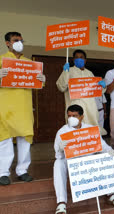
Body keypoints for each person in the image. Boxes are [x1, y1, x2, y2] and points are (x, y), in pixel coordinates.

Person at [53, 105, 114, 214]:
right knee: (58, 164)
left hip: (88, 162)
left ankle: (112, 194)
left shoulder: (90, 129)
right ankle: (61, 203)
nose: (71, 118)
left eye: (74, 116)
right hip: (72, 163)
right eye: (69, 116)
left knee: (107, 156)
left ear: (82, 117)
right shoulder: (62, 131)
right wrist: (60, 148)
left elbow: (102, 146)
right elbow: (58, 156)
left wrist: (109, 151)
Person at [0, 32, 46, 185]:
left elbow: (38, 85)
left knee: (25, 139)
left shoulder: (29, 63)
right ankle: (3, 172)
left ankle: (22, 170)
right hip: (5, 108)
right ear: (7, 43)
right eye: (15, 40)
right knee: (5, 140)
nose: (19, 43)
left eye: (21, 40)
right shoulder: (2, 60)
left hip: (24, 108)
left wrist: (42, 80)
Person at [56, 49, 107, 135]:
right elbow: (61, 87)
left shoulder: (89, 73)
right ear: (73, 59)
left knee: (90, 132)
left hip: (90, 108)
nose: (79, 59)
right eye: (76, 57)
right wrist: (65, 72)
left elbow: (97, 91)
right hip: (75, 108)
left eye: (81, 57)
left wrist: (103, 86)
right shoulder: (69, 71)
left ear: (85, 60)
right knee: (75, 132)